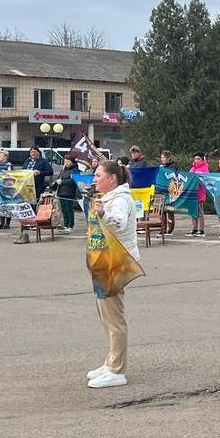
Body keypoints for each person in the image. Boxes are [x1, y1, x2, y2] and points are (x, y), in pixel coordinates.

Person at [86, 159, 140, 389]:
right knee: (105, 316)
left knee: (114, 317)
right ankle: (110, 362)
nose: (94, 179)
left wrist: (103, 214)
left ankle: (117, 370)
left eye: (98, 175)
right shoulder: (108, 198)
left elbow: (117, 222)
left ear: (112, 179)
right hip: (103, 261)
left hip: (115, 261)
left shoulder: (120, 200)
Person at [56, 154, 80, 231]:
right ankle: (65, 224)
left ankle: (70, 225)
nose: (66, 163)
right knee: (64, 210)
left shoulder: (74, 170)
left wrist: (63, 182)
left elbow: (74, 180)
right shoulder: (63, 170)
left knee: (69, 209)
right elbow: (59, 178)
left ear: (72, 162)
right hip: (61, 191)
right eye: (65, 161)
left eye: (68, 161)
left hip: (69, 192)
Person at [189, 153, 209, 236]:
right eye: (195, 159)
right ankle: (194, 229)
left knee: (200, 212)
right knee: (193, 211)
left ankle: (201, 230)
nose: (196, 160)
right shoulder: (192, 168)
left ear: (202, 159)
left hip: (199, 193)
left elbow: (204, 180)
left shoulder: (204, 169)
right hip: (192, 193)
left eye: (198, 159)